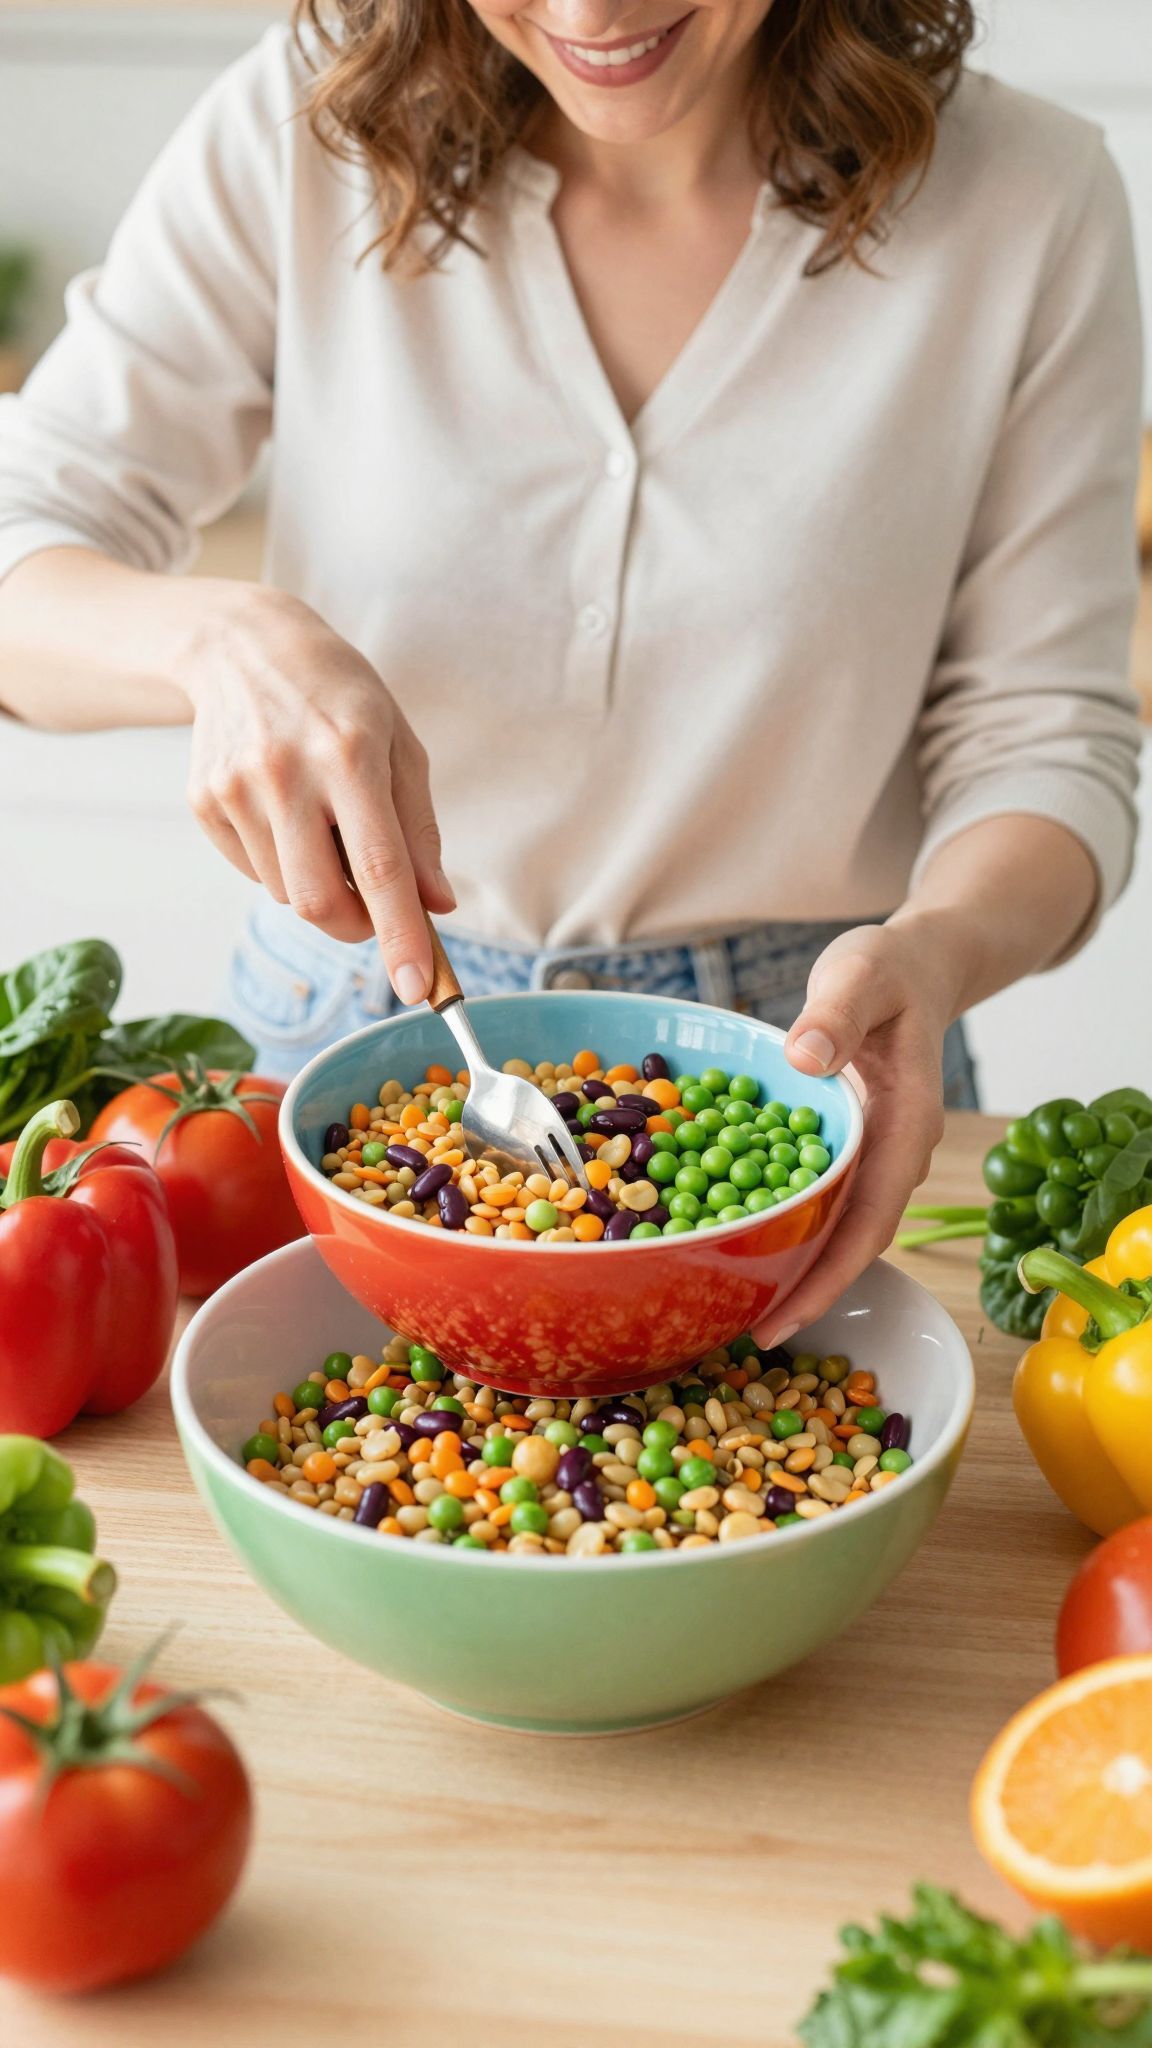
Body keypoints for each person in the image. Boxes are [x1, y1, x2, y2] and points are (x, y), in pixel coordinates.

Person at [0, 0, 1142, 1345]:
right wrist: (214, 641)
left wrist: (938, 953)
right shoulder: (310, 124)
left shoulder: (1029, 196)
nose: (593, 14)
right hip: (347, 1031)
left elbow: (1045, 734)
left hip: (805, 1069)